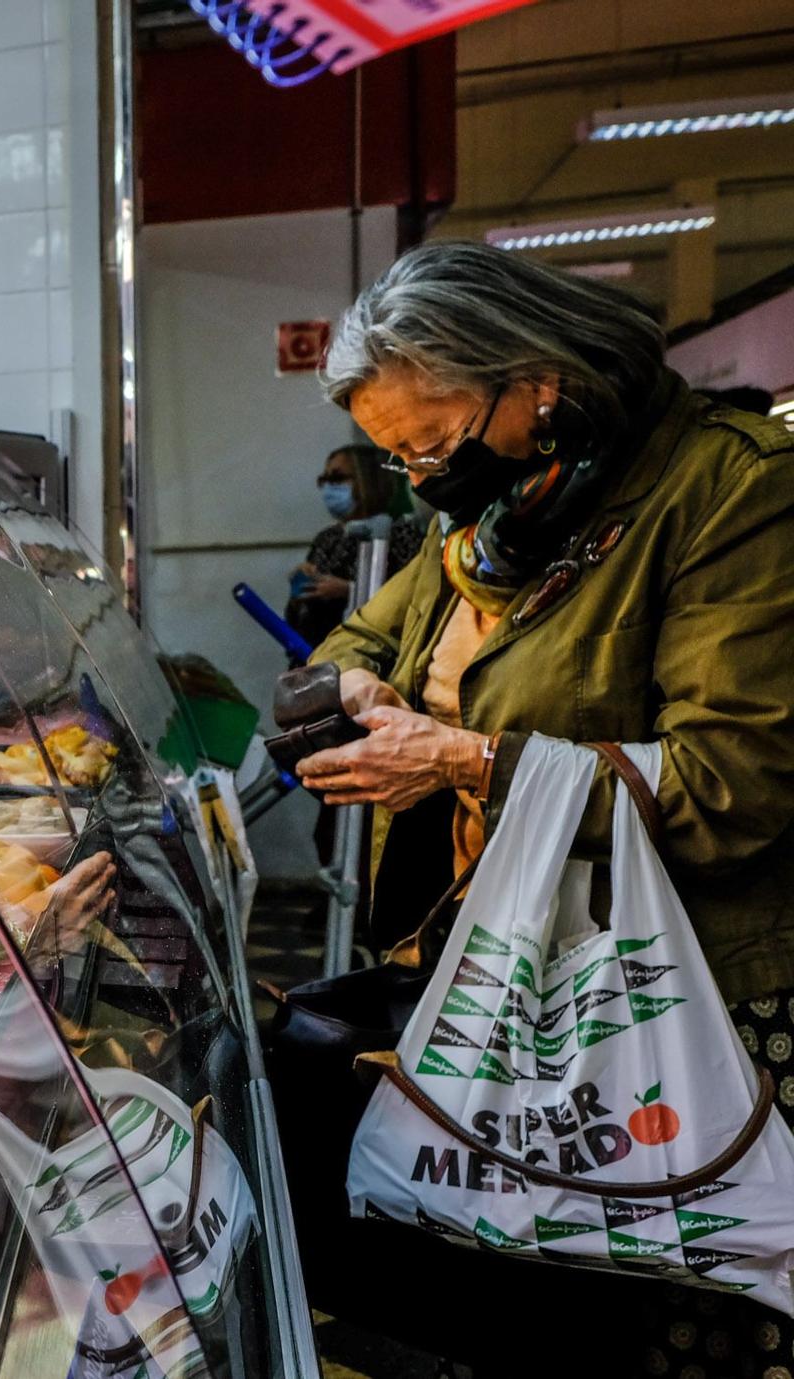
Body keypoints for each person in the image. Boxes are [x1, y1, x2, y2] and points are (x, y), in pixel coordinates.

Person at [296, 239, 794, 1376]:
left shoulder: (728, 489)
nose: (418, 479)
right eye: (393, 457)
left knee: (672, 1305)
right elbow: (367, 634)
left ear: (537, 380)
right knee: (539, 1298)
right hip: (503, 967)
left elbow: (735, 783)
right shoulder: (490, 517)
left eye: (429, 442)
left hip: (683, 998)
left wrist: (469, 762)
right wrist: (351, 684)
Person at [284, 442, 424, 653]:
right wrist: (301, 588)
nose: (329, 487)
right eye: (324, 479)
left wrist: (349, 591)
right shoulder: (327, 538)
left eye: (337, 478)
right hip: (316, 655)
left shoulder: (400, 535)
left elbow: (412, 602)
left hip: (371, 658)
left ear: (369, 480)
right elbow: (297, 618)